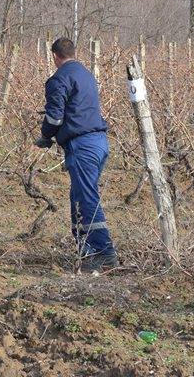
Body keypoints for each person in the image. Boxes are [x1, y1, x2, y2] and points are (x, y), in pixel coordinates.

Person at [35, 37, 118, 273]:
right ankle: (86, 251)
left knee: (87, 197)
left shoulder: (59, 79)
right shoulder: (86, 74)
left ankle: (104, 253)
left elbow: (54, 117)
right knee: (79, 197)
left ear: (54, 56)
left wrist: (45, 135)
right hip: (99, 142)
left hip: (82, 146)